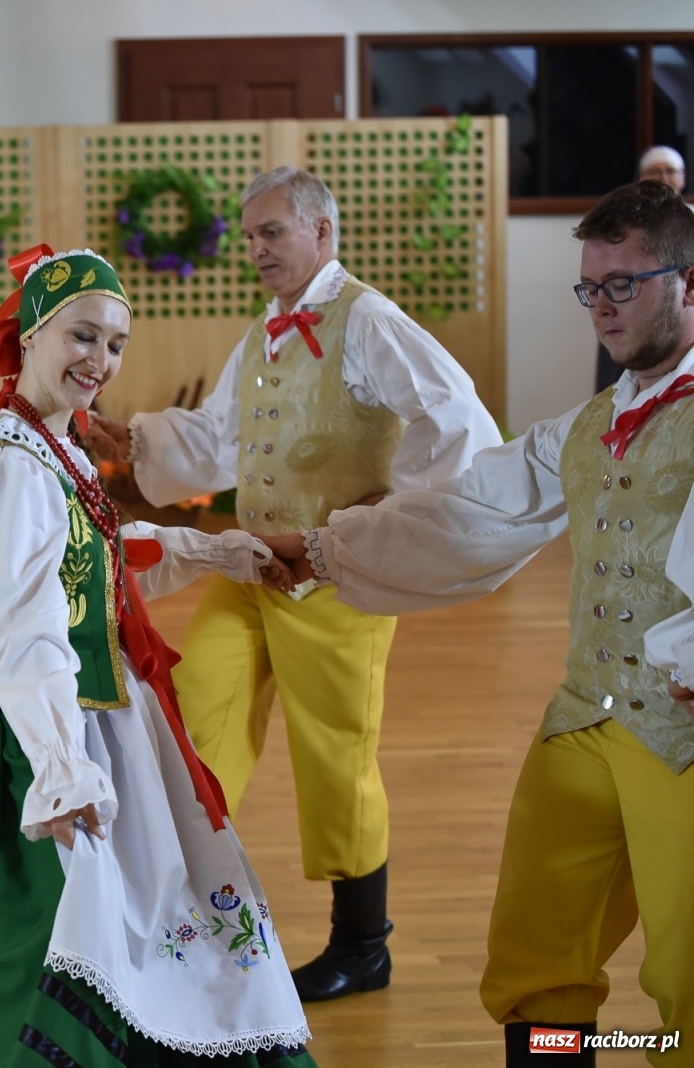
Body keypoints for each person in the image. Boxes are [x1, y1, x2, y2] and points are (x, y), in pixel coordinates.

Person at [261, 179, 694, 1067]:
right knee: (533, 965)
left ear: (689, 282)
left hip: (683, 735)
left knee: (687, 986)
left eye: (626, 284)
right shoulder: (590, 424)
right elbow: (469, 511)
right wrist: (325, 545)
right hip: (585, 720)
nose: (602, 309)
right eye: (590, 287)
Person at [85, 166, 502, 1002]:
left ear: (322, 233)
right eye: (249, 236)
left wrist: (382, 515)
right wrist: (130, 439)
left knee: (335, 758)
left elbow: (460, 423)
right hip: (248, 567)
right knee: (191, 709)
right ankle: (182, 911)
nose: (256, 250)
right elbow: (218, 436)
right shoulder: (268, 329)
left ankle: (363, 945)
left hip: (336, 578)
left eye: (271, 232)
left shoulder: (371, 320)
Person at [0, 245, 315, 1067]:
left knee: (153, 937)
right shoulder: (9, 463)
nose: (100, 361)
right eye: (82, 337)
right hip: (48, 740)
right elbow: (23, 625)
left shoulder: (52, 446)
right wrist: (62, 767)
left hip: (108, 727)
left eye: (115, 344)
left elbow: (99, 559)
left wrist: (216, 551)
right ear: (30, 333)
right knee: (69, 953)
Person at [594, 146, 689, 392]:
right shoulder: (622, 222)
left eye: (670, 171)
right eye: (655, 171)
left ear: (683, 178)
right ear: (641, 178)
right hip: (629, 317)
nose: (663, 177)